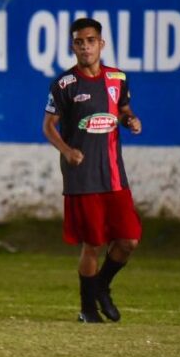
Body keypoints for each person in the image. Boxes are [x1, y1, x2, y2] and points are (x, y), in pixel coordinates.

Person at [42, 17, 142, 323]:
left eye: (90, 41)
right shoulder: (64, 84)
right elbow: (48, 126)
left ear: (101, 44)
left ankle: (101, 286)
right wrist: (67, 151)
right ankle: (88, 309)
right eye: (79, 42)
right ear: (73, 47)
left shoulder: (117, 78)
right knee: (93, 244)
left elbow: (123, 110)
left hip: (114, 174)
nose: (85, 47)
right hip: (82, 176)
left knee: (128, 240)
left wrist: (130, 120)